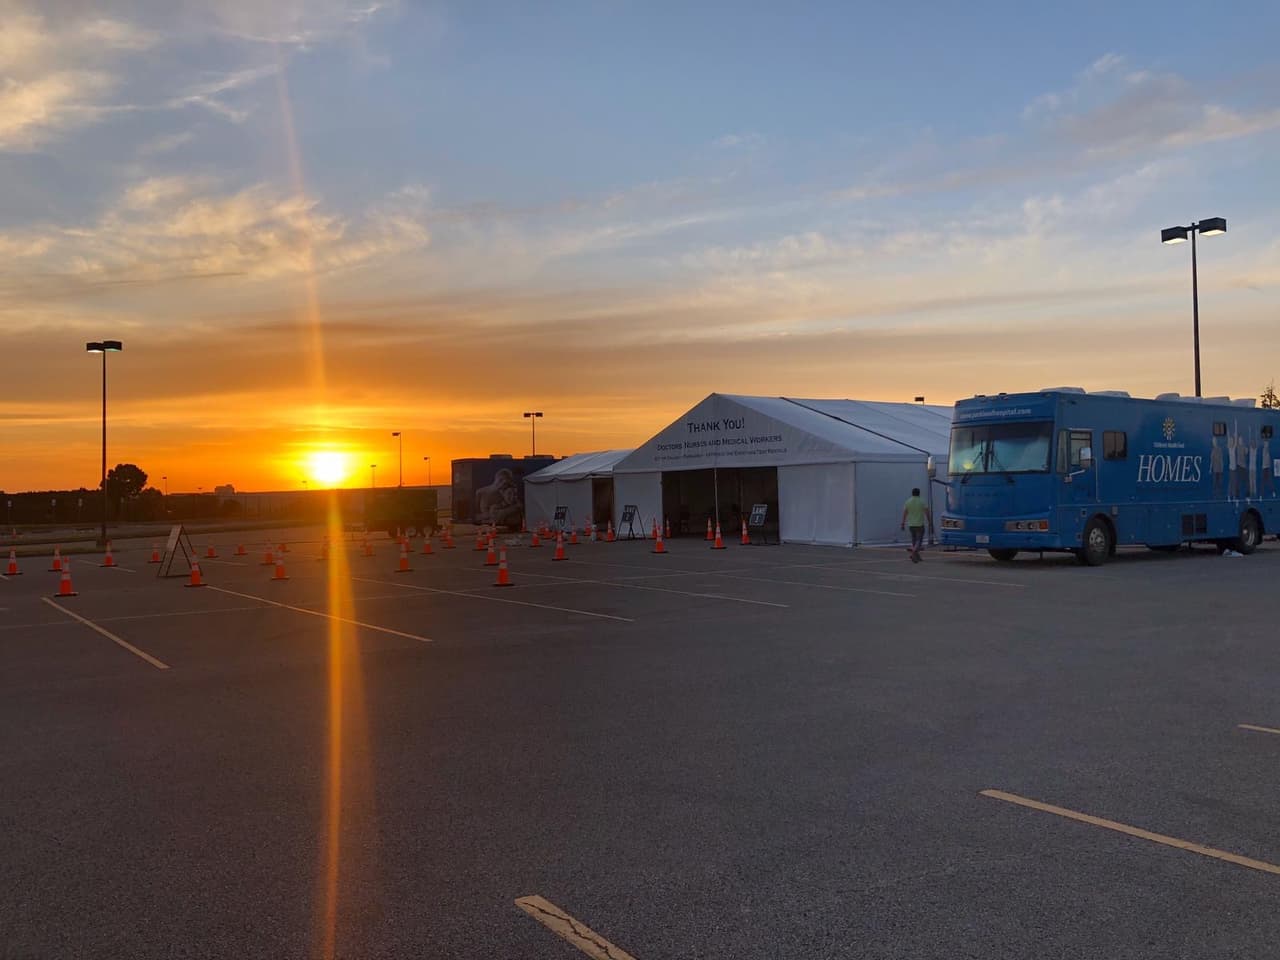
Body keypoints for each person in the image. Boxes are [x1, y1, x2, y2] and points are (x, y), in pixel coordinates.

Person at [900, 487, 932, 563]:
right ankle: (913, 552)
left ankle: (917, 556)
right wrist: (929, 521)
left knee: (914, 540)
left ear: (912, 493)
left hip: (911, 524)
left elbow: (905, 513)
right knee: (919, 541)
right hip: (919, 524)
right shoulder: (922, 501)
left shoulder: (908, 501)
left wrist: (903, 523)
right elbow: (927, 512)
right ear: (919, 493)